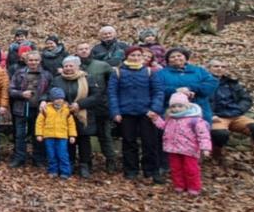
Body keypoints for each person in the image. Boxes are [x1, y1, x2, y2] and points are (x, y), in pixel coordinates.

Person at [108, 46, 165, 181]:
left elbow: (158, 92)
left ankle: (151, 170)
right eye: (133, 55)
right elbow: (112, 94)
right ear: (127, 57)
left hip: (147, 112)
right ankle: (131, 170)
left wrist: (155, 109)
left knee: (150, 142)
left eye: (138, 55)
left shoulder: (150, 72)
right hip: (126, 112)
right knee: (128, 142)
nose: (136, 58)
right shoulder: (117, 72)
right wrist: (115, 111)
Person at [46, 56, 104, 179]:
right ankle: (69, 163)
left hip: (83, 114)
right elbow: (50, 94)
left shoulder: (88, 79)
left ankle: (85, 165)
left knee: (84, 141)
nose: (68, 68)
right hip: (63, 115)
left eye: (71, 65)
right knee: (67, 140)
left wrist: (80, 104)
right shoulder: (57, 80)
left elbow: (97, 96)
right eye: (66, 66)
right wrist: (64, 104)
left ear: (77, 66)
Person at [149, 93, 212, 195]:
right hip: (173, 149)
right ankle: (179, 185)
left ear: (186, 106)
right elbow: (163, 126)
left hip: (189, 150)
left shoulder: (194, 119)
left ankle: (193, 187)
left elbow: (203, 134)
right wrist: (156, 118)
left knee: (191, 169)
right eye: (173, 106)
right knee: (176, 168)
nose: (176, 109)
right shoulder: (171, 118)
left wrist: (205, 148)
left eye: (180, 106)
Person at [76, 42, 118, 173]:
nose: (83, 51)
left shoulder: (102, 66)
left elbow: (112, 84)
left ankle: (111, 160)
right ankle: (86, 163)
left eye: (86, 48)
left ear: (90, 50)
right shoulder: (74, 66)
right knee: (84, 136)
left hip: (100, 106)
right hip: (82, 108)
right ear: (76, 51)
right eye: (80, 49)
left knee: (104, 135)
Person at [8, 51, 52, 168]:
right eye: (31, 60)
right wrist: (22, 94)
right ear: (26, 61)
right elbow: (11, 90)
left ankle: (38, 159)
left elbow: (50, 91)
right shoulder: (19, 73)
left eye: (36, 60)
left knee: (37, 134)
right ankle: (19, 158)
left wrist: (44, 99)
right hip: (21, 108)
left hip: (39, 109)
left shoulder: (46, 75)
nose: (33, 62)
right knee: (20, 134)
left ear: (40, 61)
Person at [207, 59, 254, 165]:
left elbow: (246, 99)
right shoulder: (203, 83)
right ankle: (216, 155)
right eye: (216, 66)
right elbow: (200, 102)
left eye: (223, 67)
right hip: (217, 117)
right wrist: (211, 115)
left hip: (236, 115)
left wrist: (239, 109)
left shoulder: (232, 83)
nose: (220, 69)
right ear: (208, 68)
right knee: (220, 134)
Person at [36, 88, 77, 179]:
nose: (59, 100)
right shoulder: (46, 109)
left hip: (62, 136)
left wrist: (72, 135)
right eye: (57, 98)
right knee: (51, 154)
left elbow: (71, 124)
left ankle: (65, 172)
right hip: (49, 136)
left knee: (63, 154)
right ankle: (53, 170)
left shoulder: (67, 110)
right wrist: (39, 134)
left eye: (61, 98)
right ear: (52, 99)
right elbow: (39, 122)